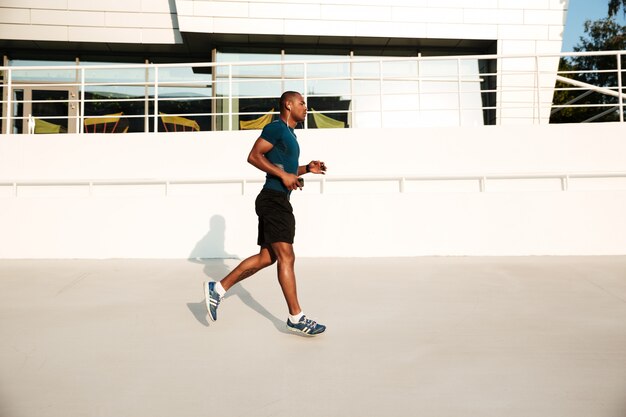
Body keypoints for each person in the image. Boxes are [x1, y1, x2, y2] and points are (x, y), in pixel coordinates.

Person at [204, 91, 327, 336]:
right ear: (288, 105)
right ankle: (296, 316)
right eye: (302, 103)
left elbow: (285, 169)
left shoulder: (291, 133)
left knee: (266, 258)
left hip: (277, 199)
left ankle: (217, 288)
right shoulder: (276, 128)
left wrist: (305, 170)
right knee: (287, 257)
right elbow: (253, 156)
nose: (306, 107)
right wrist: (284, 176)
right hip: (273, 201)